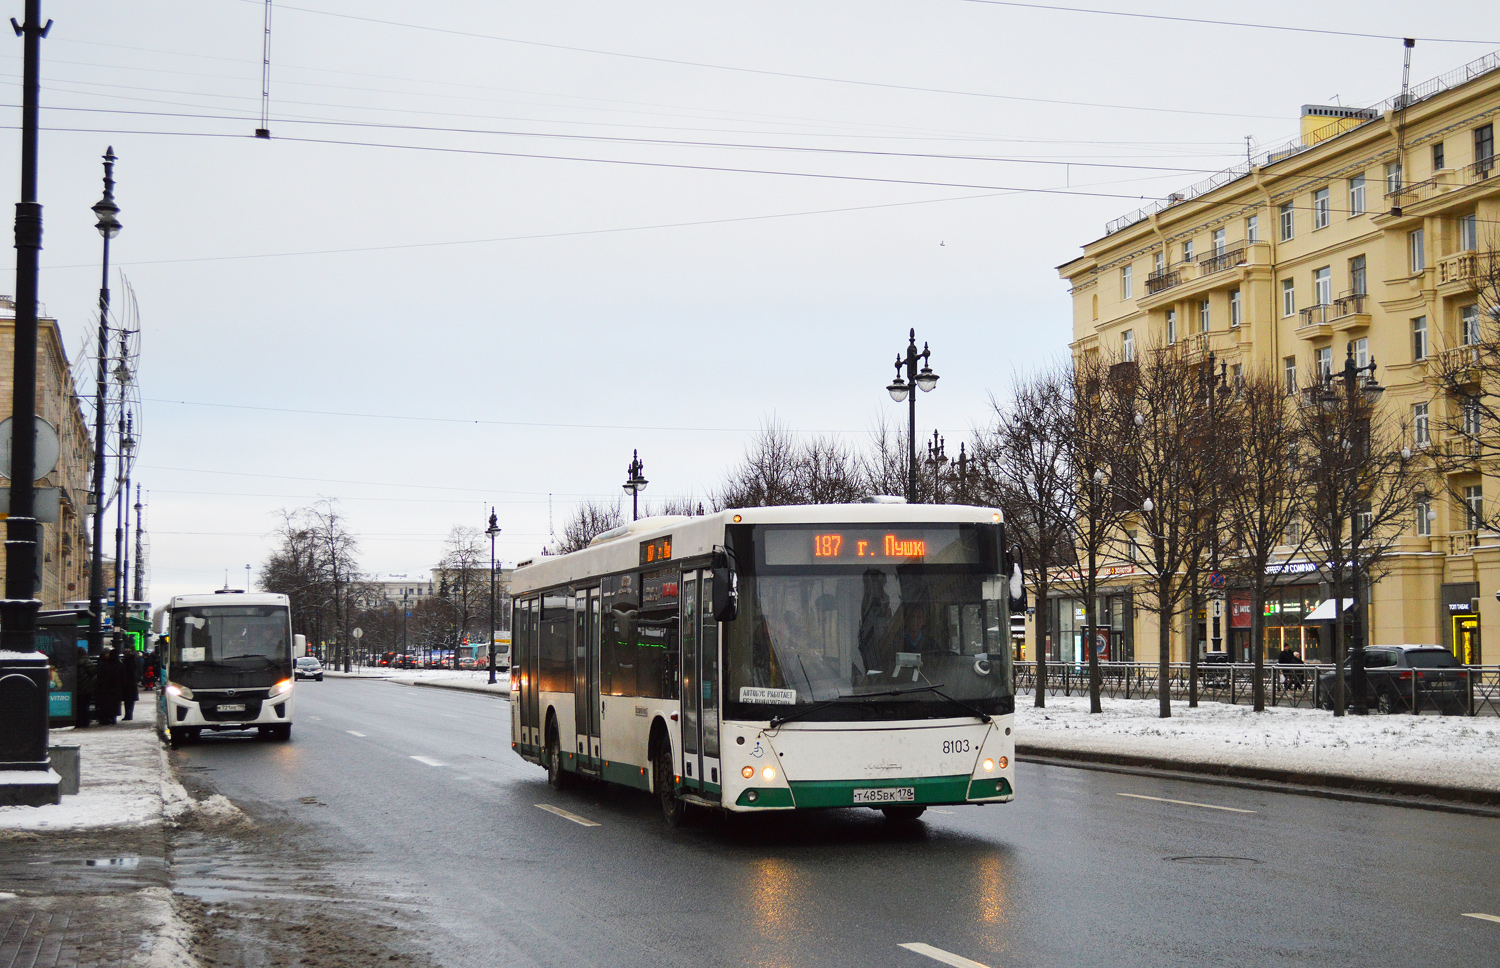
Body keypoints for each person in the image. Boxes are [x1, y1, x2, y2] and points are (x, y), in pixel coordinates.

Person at [95, 647, 123, 726]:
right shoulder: (119, 665)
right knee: (115, 704)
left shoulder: (105, 665)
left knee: (106, 703)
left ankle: (105, 718)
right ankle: (113, 718)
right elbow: (123, 677)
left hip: (105, 688)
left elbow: (100, 676)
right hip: (116, 688)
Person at [75, 645, 96, 728]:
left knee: (78, 706)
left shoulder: (73, 662)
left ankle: (78, 721)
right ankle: (85, 721)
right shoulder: (88, 662)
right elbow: (93, 672)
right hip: (86, 688)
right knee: (85, 706)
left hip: (76, 688)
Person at [119, 648, 140, 721]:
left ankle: (128, 715)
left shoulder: (126, 662)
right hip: (132, 684)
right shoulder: (133, 660)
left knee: (128, 701)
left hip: (127, 684)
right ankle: (129, 714)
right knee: (130, 701)